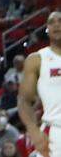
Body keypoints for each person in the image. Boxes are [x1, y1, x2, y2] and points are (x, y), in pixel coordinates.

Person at [18, 10, 61, 157]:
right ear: (47, 29)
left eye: (60, 21)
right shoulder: (37, 59)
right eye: (51, 22)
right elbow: (23, 101)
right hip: (55, 133)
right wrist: (33, 130)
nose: (56, 25)